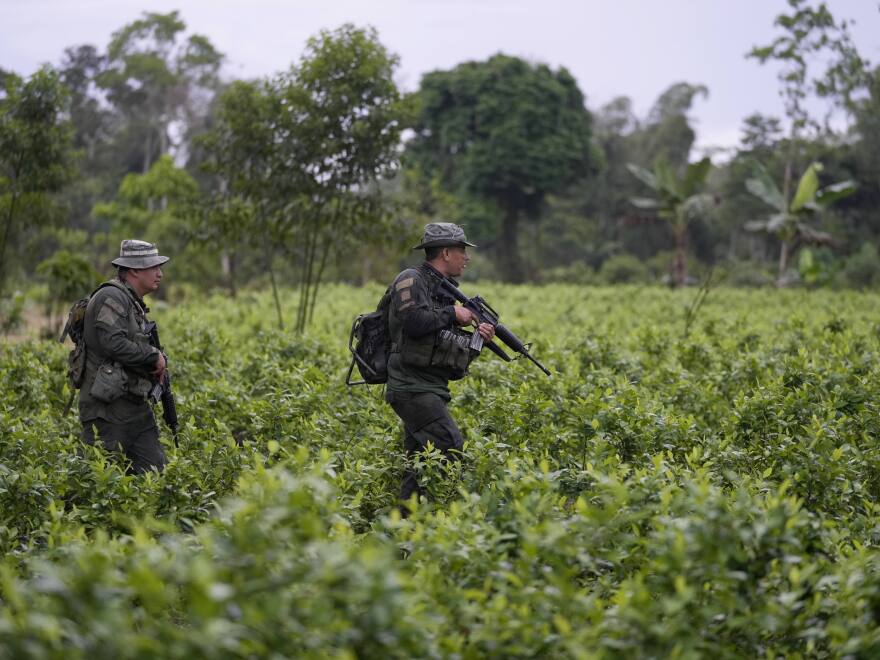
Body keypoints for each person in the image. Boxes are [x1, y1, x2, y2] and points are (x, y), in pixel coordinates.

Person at [385, 222, 495, 513]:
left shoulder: (444, 290)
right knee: (449, 443)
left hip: (431, 387)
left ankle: (402, 529)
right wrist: (453, 313)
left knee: (421, 460)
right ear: (446, 253)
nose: (467, 258)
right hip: (410, 387)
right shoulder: (410, 279)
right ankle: (438, 518)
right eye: (462, 251)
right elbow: (414, 322)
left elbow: (447, 351)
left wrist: (477, 341)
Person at [79, 240, 170, 474]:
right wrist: (153, 356)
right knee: (100, 486)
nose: (160, 273)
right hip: (107, 413)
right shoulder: (110, 297)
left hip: (134, 408)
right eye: (154, 267)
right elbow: (113, 343)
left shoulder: (132, 302)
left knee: (156, 480)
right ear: (135, 270)